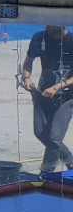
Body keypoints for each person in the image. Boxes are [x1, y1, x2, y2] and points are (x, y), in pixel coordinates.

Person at [21, 25, 73, 172]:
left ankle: (47, 171)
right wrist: (26, 78)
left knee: (55, 137)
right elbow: (28, 61)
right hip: (42, 93)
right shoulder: (39, 37)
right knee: (40, 132)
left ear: (61, 23)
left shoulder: (72, 41)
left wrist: (57, 87)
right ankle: (69, 159)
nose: (46, 26)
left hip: (67, 97)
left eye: (50, 23)